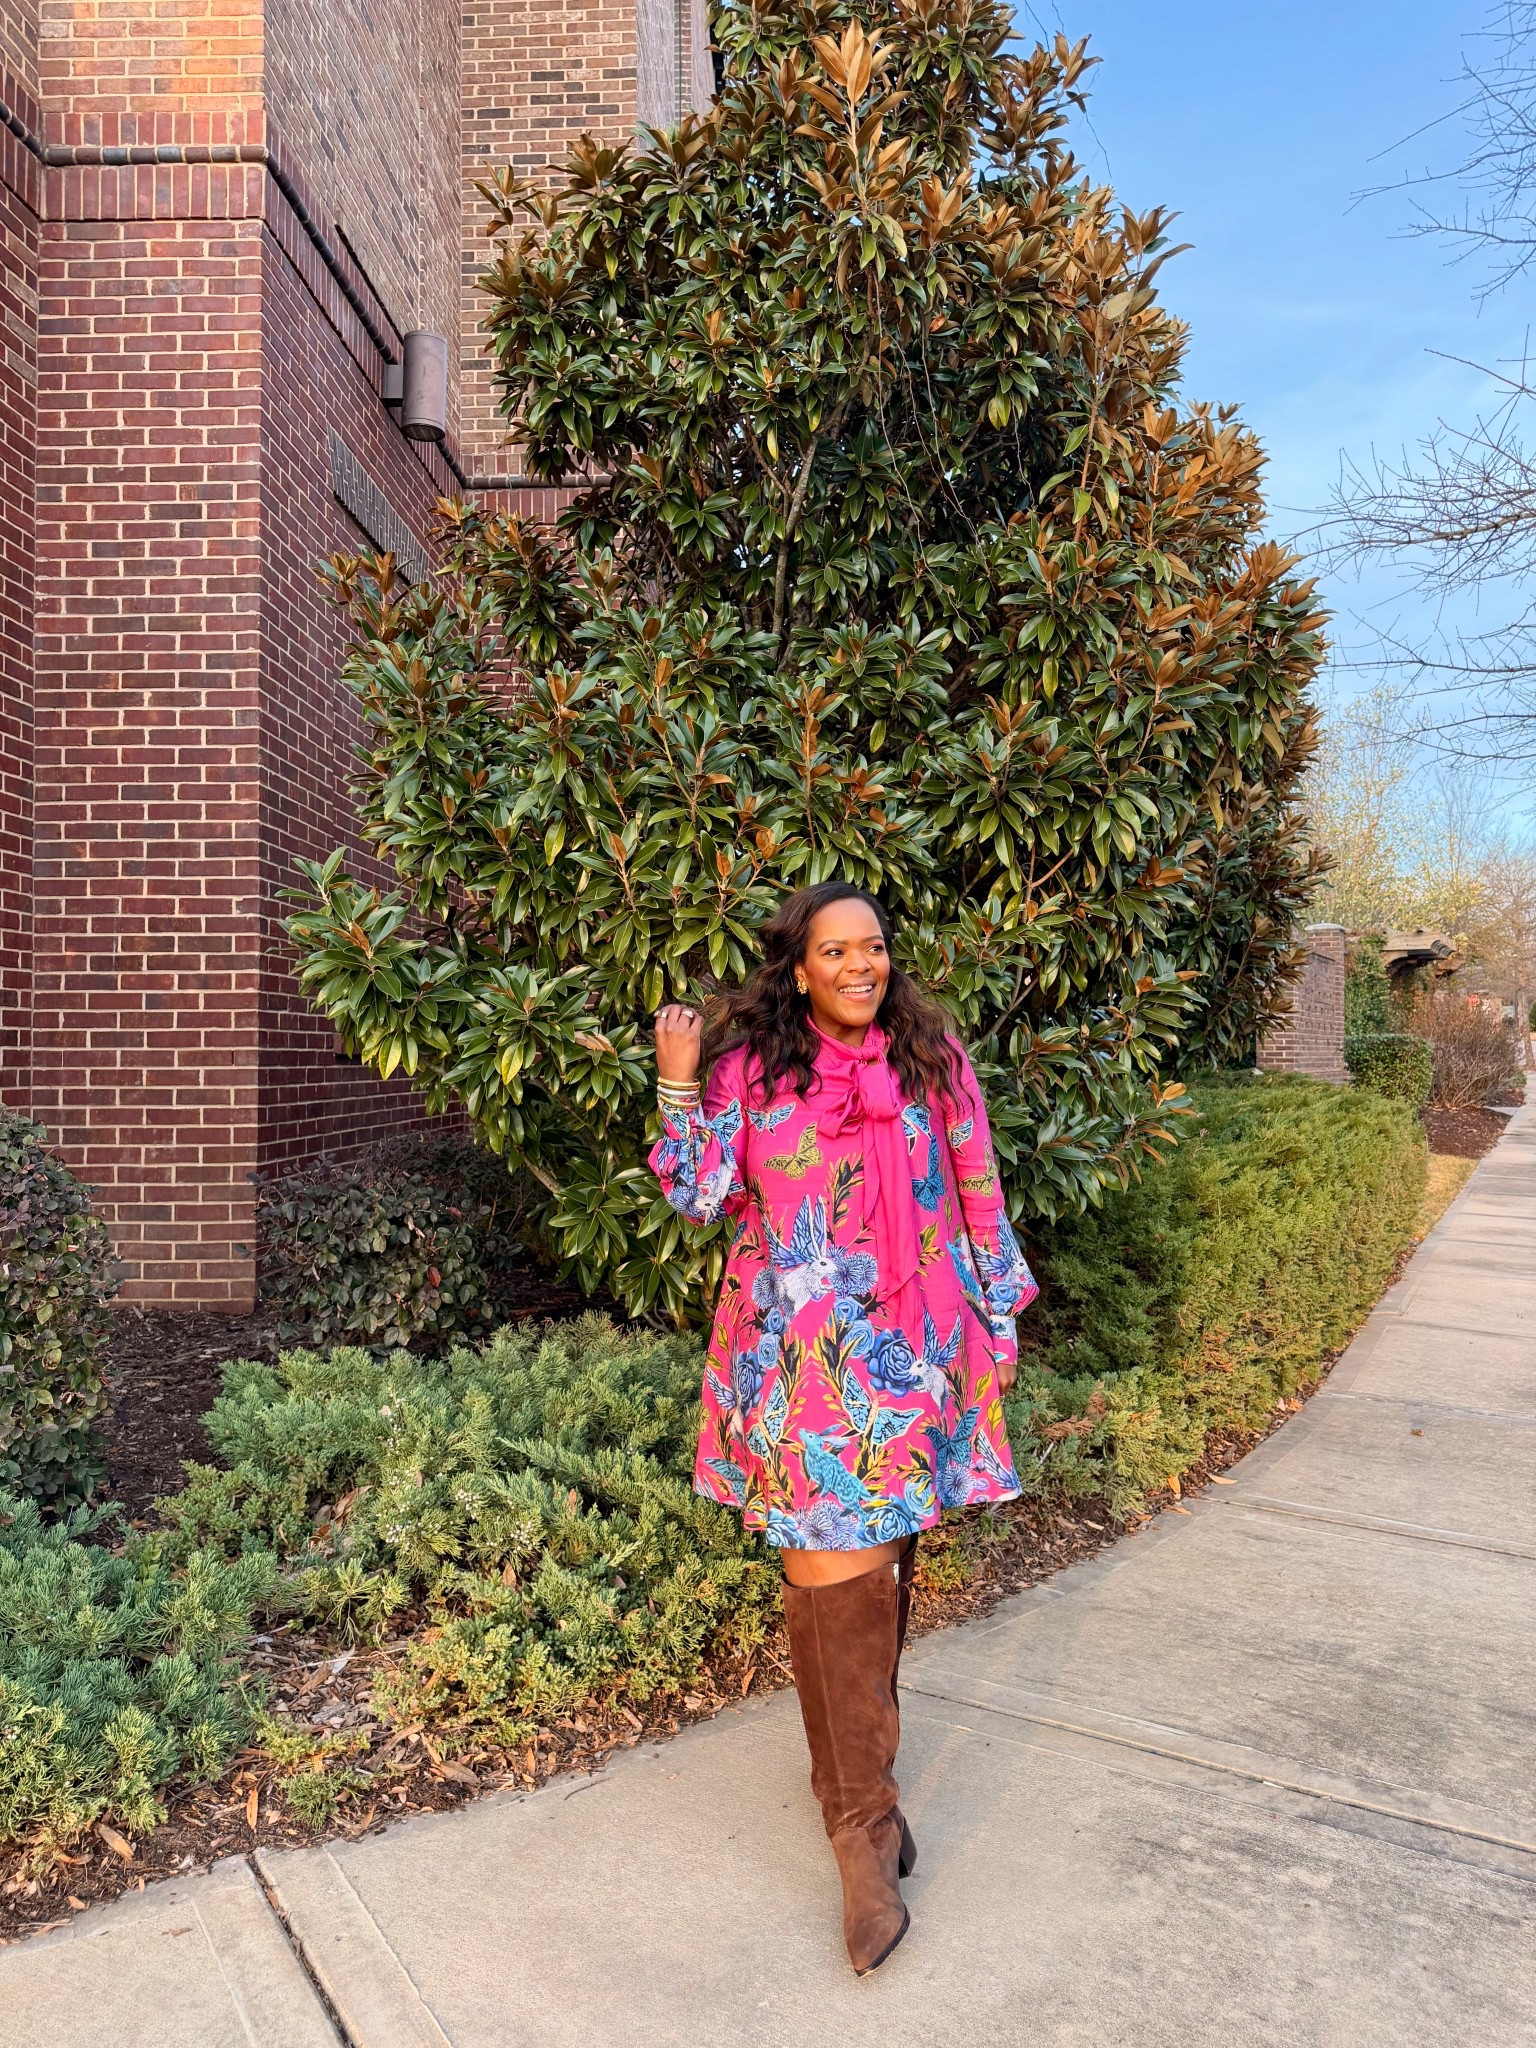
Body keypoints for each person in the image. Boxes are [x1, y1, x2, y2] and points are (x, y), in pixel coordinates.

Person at [648, 880, 1037, 1975]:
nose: (860, 964)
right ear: (799, 966)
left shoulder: (934, 1058)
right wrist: (678, 1085)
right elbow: (699, 1191)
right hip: (803, 1362)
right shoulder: (747, 1070)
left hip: (922, 1344)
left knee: (884, 1570)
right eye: (836, 949)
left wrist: (997, 1326)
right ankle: (860, 1833)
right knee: (833, 1572)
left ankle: (871, 1805)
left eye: (873, 946)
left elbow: (979, 1187)